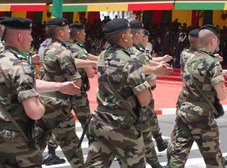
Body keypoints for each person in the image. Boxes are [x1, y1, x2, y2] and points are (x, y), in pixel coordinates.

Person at [0, 17, 81, 168]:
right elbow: (34, 112)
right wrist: (42, 105)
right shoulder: (20, 66)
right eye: (30, 35)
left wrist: (58, 86)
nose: (32, 39)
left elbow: (27, 83)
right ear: (20, 36)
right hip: (15, 140)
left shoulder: (4, 59)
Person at [85, 18, 151, 168]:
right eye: (129, 33)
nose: (132, 36)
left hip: (100, 121)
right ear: (124, 37)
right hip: (122, 125)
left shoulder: (103, 56)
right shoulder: (131, 62)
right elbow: (145, 99)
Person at [167, 24, 227, 168]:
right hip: (202, 116)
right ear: (213, 41)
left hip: (184, 110)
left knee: (178, 155)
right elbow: (222, 94)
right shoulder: (212, 63)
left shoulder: (186, 57)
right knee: (213, 157)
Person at [36, 17, 85, 168]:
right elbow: (75, 83)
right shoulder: (63, 52)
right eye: (67, 29)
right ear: (60, 32)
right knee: (71, 146)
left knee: (36, 144)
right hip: (58, 105)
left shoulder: (45, 49)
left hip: (42, 102)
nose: (69, 31)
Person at [130, 20, 167, 168]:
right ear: (137, 35)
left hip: (120, 103)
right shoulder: (138, 53)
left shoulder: (115, 53)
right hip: (139, 97)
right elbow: (151, 81)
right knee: (145, 132)